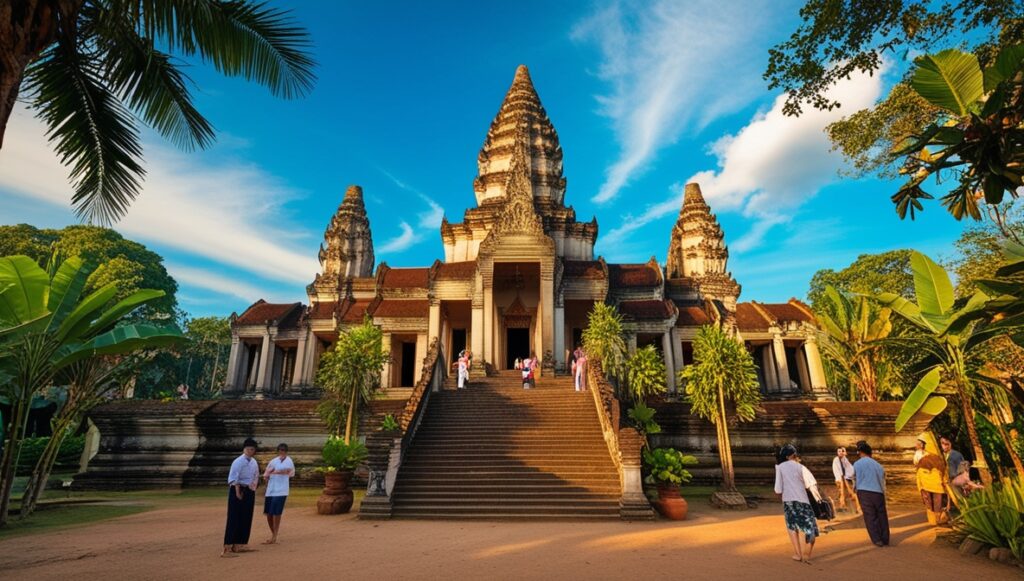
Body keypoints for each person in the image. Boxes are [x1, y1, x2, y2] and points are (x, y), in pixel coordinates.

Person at [774, 444, 819, 564]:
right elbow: (811, 484)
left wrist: (782, 497)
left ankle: (798, 554)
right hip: (803, 501)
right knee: (810, 528)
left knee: (792, 526)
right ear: (792, 456)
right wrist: (818, 500)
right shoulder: (801, 467)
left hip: (788, 501)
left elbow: (778, 489)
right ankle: (807, 554)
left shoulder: (780, 467)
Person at [223, 437, 260, 557]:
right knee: (234, 517)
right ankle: (227, 547)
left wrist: (253, 487)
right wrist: (238, 492)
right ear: (244, 449)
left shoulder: (253, 462)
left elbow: (256, 475)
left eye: (252, 449)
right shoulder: (238, 461)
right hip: (237, 489)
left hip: (249, 490)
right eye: (249, 449)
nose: (250, 451)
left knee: (246, 517)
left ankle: (239, 544)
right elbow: (233, 478)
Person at [853, 440, 890, 547]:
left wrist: (854, 489)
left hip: (864, 492)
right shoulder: (878, 465)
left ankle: (877, 539)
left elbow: (853, 477)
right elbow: (883, 481)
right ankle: (885, 538)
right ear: (870, 453)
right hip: (878, 493)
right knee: (882, 515)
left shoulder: (857, 464)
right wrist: (883, 494)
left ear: (859, 452)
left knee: (870, 516)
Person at [262, 443, 294, 544]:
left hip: (281, 490)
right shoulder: (273, 461)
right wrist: (267, 485)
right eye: (280, 450)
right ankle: (273, 533)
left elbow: (290, 472)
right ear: (278, 451)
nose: (282, 452)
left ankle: (275, 535)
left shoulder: (289, 461)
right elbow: (266, 475)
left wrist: (276, 472)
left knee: (277, 513)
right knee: (269, 513)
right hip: (271, 490)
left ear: (286, 451)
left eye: (284, 450)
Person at [914, 435, 949, 525]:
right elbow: (943, 474)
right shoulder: (938, 459)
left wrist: (920, 487)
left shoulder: (921, 459)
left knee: (929, 504)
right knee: (938, 504)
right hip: (938, 486)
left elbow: (918, 475)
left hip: (926, 485)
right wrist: (945, 485)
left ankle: (932, 521)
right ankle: (938, 519)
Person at [832, 447, 859, 513]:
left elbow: (850, 470)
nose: (841, 452)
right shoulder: (836, 460)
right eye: (839, 451)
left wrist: (845, 454)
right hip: (840, 479)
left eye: (842, 451)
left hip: (846, 478)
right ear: (837, 452)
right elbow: (839, 473)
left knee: (850, 493)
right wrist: (842, 483)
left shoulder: (845, 459)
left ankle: (857, 507)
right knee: (842, 493)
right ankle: (843, 505)